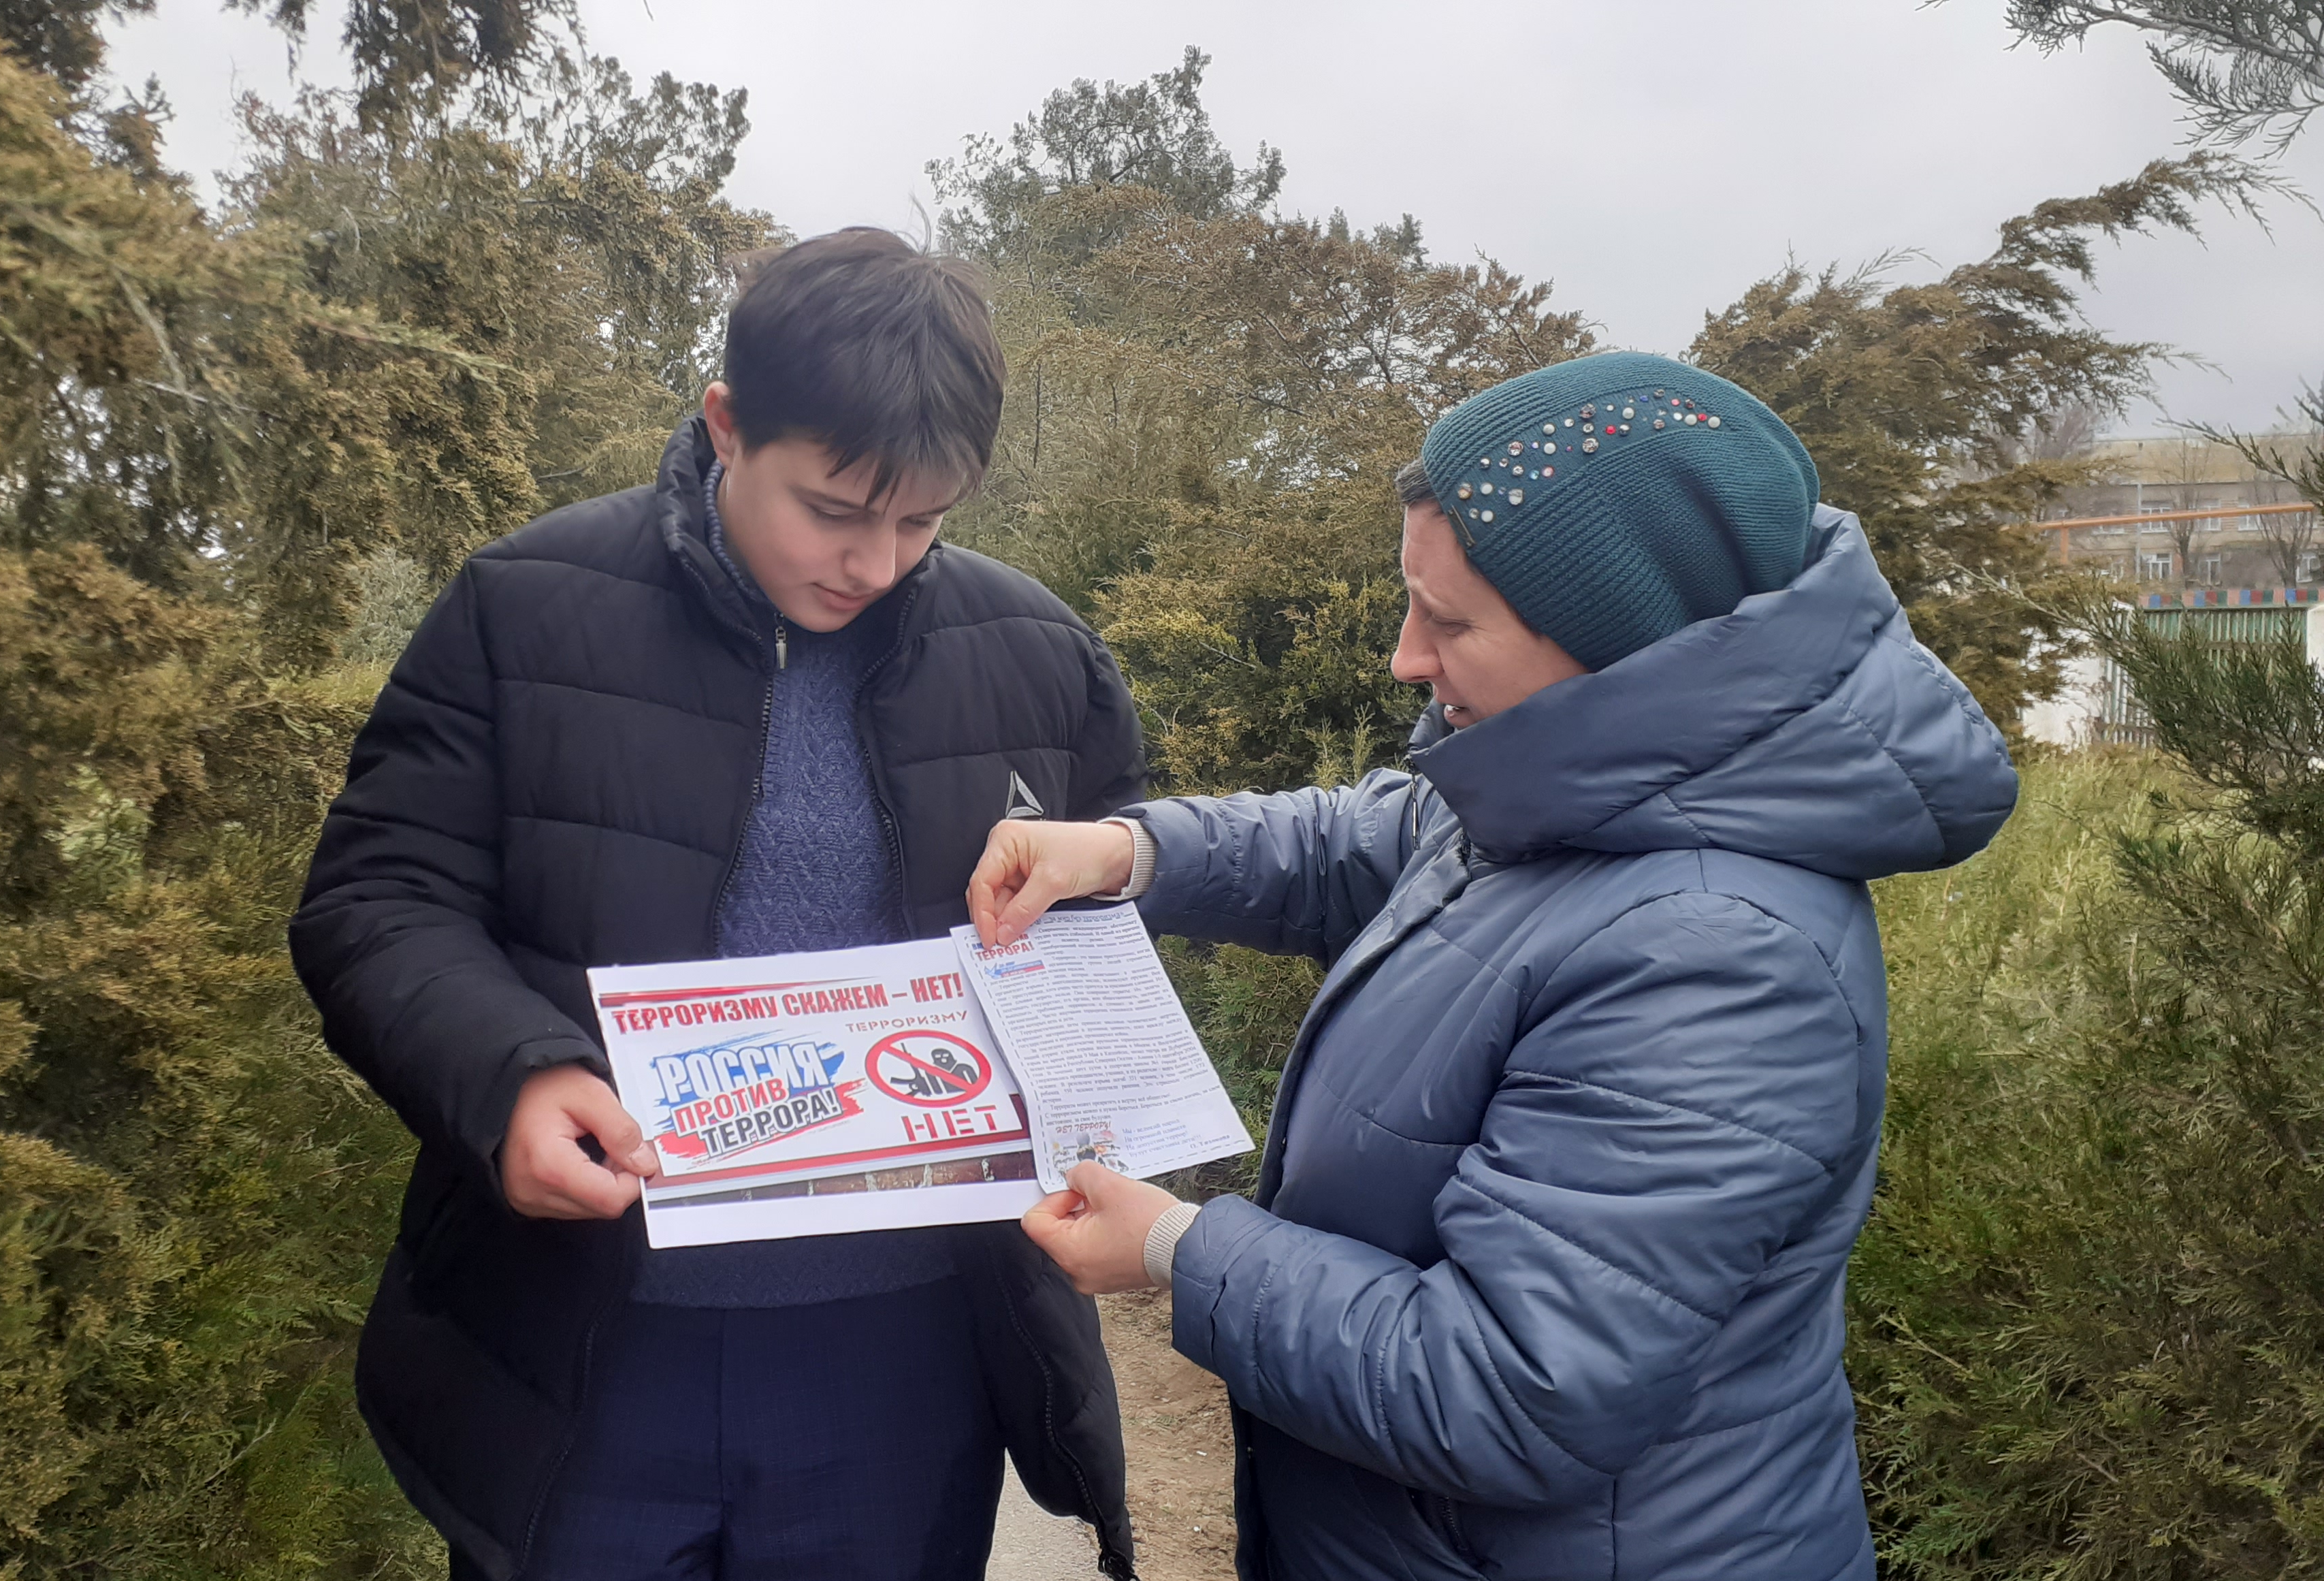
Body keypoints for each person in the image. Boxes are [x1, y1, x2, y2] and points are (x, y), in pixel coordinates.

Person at [969, 350, 2018, 1581]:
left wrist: (1178, 1250)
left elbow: (1517, 1389)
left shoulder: (1720, 958)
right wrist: (1126, 852)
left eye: (1453, 621)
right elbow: (1356, 839)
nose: (1406, 657)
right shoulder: (1566, 788)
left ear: (1622, 646)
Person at [290, 228, 1146, 1581]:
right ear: (727, 424)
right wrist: (510, 1079)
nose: (875, 562)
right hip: (586, 1342)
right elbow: (378, 896)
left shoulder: (1042, 659)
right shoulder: (526, 610)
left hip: (906, 1360)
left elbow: (1101, 938)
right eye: (833, 509)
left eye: (922, 521)